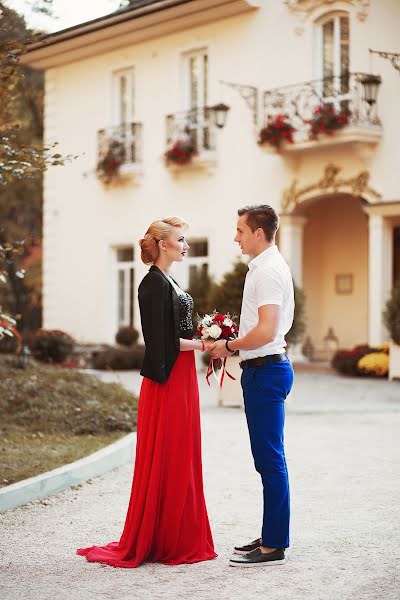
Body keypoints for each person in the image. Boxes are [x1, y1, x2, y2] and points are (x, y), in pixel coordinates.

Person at [76, 216, 217, 568]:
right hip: (168, 379)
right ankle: (164, 537)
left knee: (183, 451)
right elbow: (161, 343)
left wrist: (206, 337)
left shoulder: (169, 280)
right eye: (181, 239)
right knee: (171, 452)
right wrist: (205, 343)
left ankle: (177, 532)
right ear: (164, 244)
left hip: (182, 376)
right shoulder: (152, 284)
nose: (185, 245)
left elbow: (176, 330)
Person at [209, 204, 294, 568]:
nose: (236, 237)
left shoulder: (268, 271)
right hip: (262, 370)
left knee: (270, 460)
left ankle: (274, 545)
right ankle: (271, 533)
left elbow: (266, 330)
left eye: (240, 231)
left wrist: (228, 346)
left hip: (266, 371)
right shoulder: (263, 267)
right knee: (267, 459)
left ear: (259, 232)